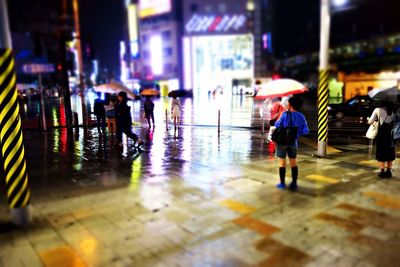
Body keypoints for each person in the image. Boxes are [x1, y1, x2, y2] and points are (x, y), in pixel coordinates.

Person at [274, 96, 309, 191]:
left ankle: (282, 184)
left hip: (282, 142)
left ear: (289, 104)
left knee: (282, 163)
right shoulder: (301, 116)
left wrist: (278, 117)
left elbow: (277, 125)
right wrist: (297, 134)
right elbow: (306, 131)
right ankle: (294, 183)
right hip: (293, 142)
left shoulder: (284, 114)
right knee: (293, 163)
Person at [368, 102, 396, 178]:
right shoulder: (395, 110)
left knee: (381, 151)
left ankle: (382, 171)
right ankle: (389, 171)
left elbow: (370, 122)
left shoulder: (377, 110)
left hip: (381, 135)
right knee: (390, 152)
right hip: (391, 135)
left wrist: (376, 120)